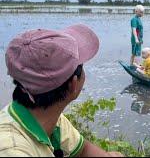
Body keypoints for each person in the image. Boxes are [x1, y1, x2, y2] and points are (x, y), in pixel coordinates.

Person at [0, 24, 123, 157]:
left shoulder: (51, 119)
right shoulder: (11, 149)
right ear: (73, 84)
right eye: (81, 65)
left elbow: (84, 150)